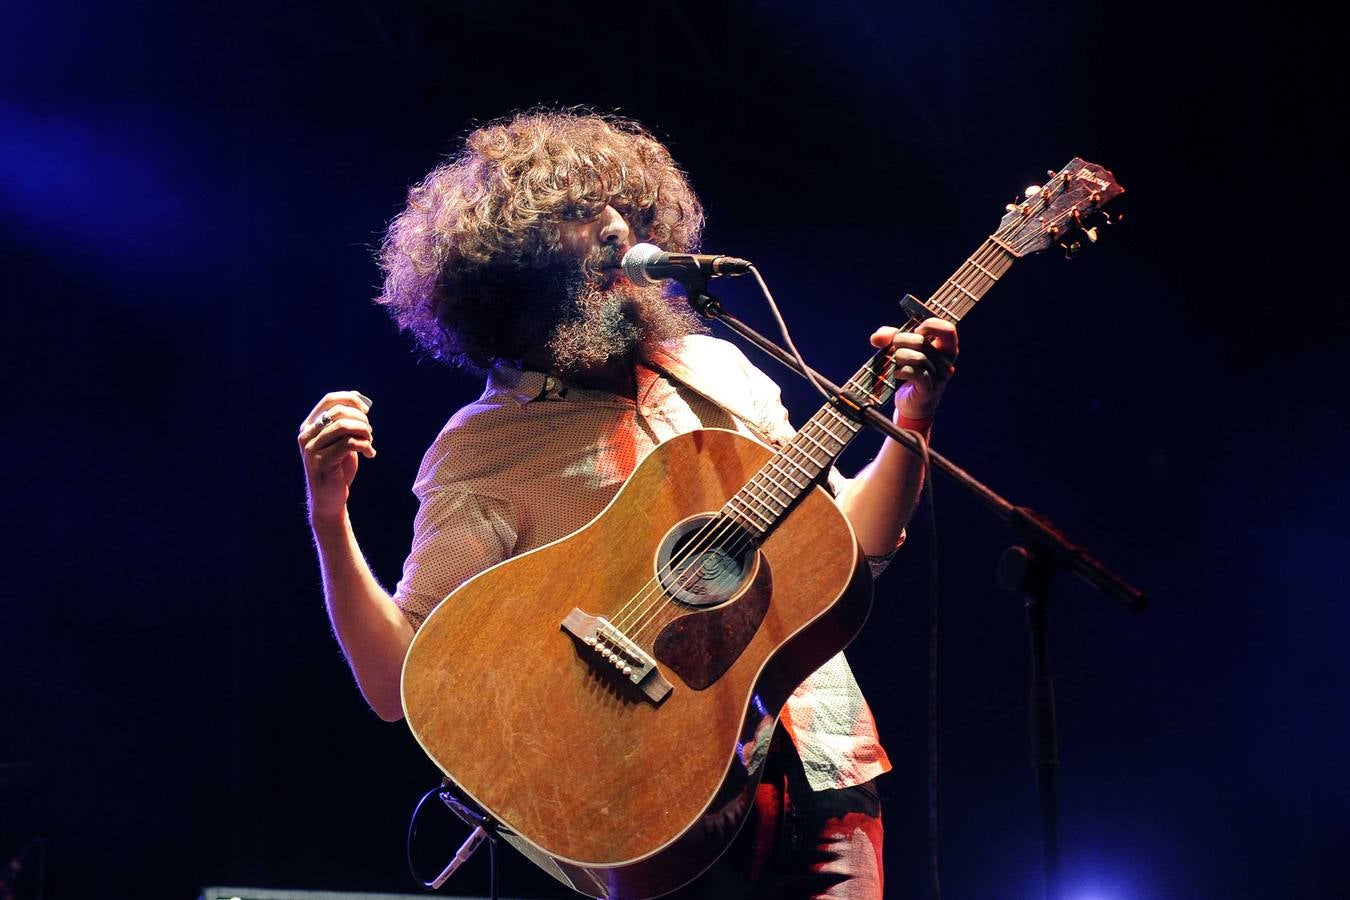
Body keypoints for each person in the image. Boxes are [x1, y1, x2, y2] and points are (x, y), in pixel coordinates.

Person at [298, 109, 958, 898]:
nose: (616, 227)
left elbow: (855, 546)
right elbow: (395, 680)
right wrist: (329, 517)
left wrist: (912, 412)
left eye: (622, 206)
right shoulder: (485, 444)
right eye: (581, 213)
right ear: (511, 261)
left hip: (821, 757)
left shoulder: (717, 367)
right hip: (650, 801)